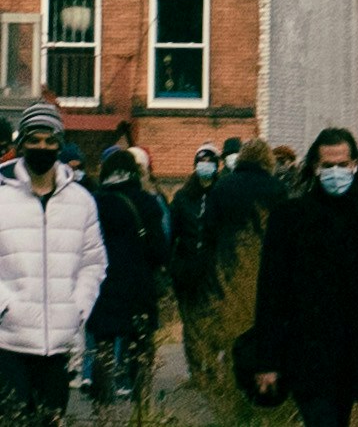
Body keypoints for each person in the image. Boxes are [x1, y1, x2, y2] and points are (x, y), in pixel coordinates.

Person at [250, 129, 358, 427]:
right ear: (315, 168)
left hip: (353, 349)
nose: (335, 172)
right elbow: (271, 291)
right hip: (305, 349)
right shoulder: (290, 218)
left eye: (342, 164)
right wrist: (268, 360)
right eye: (328, 166)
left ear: (355, 165)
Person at [0, 104, 107, 427]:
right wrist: (5, 306)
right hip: (9, 341)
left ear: (59, 145)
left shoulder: (81, 201)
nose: (42, 148)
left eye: (50, 141)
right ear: (21, 145)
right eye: (34, 140)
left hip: (58, 343)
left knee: (51, 422)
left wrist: (78, 307)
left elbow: (94, 261)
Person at [86, 148, 166, 410]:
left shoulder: (95, 203)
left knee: (104, 349)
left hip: (104, 285)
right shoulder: (146, 202)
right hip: (139, 286)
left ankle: (102, 408)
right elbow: (159, 249)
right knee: (140, 349)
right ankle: (141, 407)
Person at [168, 148, 221, 384]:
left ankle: (210, 366)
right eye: (202, 161)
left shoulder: (222, 194)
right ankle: (195, 369)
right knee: (190, 321)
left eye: (210, 161)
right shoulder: (183, 196)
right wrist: (174, 265)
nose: (206, 165)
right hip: (188, 269)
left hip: (213, 269)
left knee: (210, 319)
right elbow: (173, 232)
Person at [206, 138, 281, 280]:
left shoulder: (223, 185)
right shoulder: (276, 188)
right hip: (264, 262)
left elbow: (210, 228)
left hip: (229, 261)